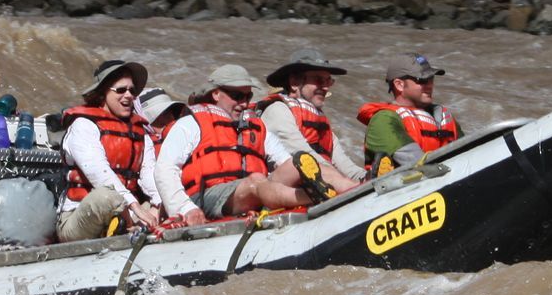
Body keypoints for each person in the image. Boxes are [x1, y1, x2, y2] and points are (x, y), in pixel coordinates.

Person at [154, 64, 321, 226]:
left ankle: (344, 191)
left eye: (248, 97)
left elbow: (286, 163)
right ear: (216, 94)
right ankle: (314, 197)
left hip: (248, 195)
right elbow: (164, 170)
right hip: (207, 198)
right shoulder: (190, 123)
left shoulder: (255, 126)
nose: (245, 104)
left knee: (296, 164)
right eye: (237, 96)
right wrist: (186, 209)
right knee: (255, 181)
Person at [58, 58, 162, 241]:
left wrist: (160, 203)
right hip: (78, 219)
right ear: (102, 93)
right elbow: (99, 173)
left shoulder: (140, 133)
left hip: (125, 214)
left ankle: (127, 229)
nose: (129, 95)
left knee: (165, 198)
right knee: (107, 196)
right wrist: (134, 206)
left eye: (132, 90)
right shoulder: (83, 125)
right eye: (121, 90)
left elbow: (149, 175)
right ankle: (124, 228)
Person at [260, 47, 359, 196]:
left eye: (328, 81)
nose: (325, 87)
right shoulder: (277, 110)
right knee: (313, 165)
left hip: (326, 179)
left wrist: (363, 178)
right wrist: (342, 181)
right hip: (283, 187)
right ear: (294, 82)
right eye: (319, 80)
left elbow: (343, 162)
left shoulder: (318, 118)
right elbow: (300, 153)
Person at [358, 53, 461, 174]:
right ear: (399, 85)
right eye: (422, 80)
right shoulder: (383, 120)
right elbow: (416, 162)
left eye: (431, 79)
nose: (429, 85)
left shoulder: (441, 115)